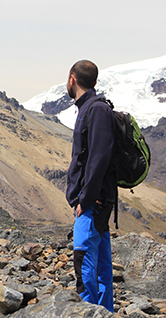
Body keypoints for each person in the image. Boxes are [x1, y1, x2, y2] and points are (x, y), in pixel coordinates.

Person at [66, 60, 116, 312]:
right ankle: (105, 313)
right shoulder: (90, 109)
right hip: (97, 202)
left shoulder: (95, 111)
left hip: (91, 204)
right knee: (101, 271)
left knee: (85, 267)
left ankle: (89, 313)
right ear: (94, 82)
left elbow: (98, 159)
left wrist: (84, 201)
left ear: (72, 79)